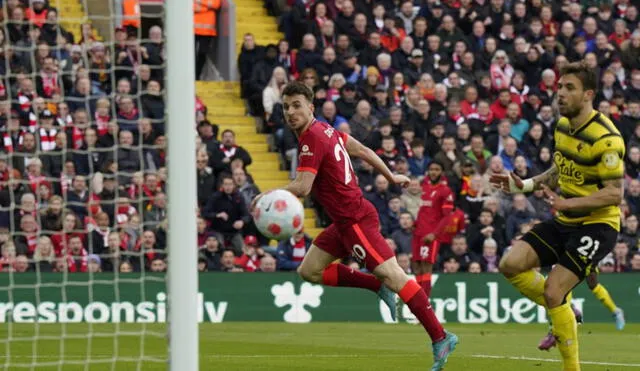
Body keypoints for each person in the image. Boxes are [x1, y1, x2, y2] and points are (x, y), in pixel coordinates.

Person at [252, 81, 457, 370]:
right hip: (345, 221)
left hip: (355, 220)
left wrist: (268, 196)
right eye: (286, 107)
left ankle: (440, 336)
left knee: (396, 277)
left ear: (311, 107)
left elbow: (303, 186)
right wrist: (390, 175)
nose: (290, 112)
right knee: (309, 270)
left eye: (297, 105)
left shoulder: (312, 137)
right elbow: (362, 150)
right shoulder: (326, 129)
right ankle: (375, 285)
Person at [491, 61, 625, 370]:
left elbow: (615, 193)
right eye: (559, 88)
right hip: (566, 220)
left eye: (569, 88)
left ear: (588, 94)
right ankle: (565, 308)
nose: (560, 94)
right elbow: (559, 169)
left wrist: (570, 204)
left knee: (553, 290)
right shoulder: (563, 126)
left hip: (598, 225)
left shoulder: (606, 137)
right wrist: (523, 185)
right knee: (510, 264)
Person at [412, 161, 454, 296]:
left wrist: (435, 234)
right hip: (418, 233)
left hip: (430, 235)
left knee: (426, 266)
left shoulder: (445, 191)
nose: (434, 172)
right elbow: (422, 209)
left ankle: (425, 299)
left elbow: (447, 217)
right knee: (417, 266)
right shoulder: (423, 187)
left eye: (437, 169)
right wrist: (415, 224)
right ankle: (418, 297)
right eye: (431, 169)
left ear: (441, 172)